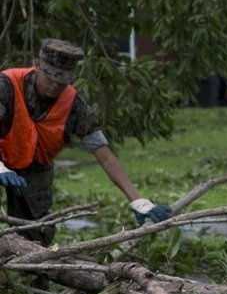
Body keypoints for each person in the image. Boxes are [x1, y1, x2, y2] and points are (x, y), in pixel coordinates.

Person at [0, 38, 171, 245]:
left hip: (34, 168)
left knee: (37, 232)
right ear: (37, 66)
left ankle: (33, 272)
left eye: (62, 81)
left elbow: (105, 155)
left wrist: (139, 201)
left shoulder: (73, 105)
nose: (54, 86)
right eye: (50, 78)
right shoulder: (7, 85)